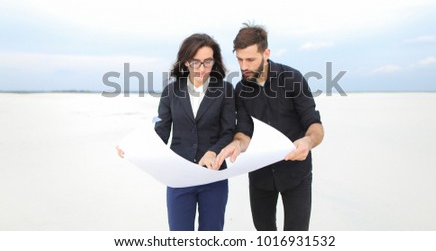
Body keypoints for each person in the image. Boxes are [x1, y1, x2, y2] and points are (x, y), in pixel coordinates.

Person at [118, 33, 235, 231]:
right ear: (185, 62)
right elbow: (161, 133)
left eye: (207, 62)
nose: (202, 68)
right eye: (195, 62)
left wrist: (214, 151)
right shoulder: (171, 92)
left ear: (215, 62)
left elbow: (228, 132)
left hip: (214, 176)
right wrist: (133, 147)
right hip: (179, 175)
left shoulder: (225, 90)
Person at [214, 24, 324, 231]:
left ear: (266, 53)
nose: (244, 66)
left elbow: (315, 125)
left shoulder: (293, 79)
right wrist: (237, 145)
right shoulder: (241, 89)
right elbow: (245, 131)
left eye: (250, 59)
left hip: (296, 174)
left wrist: (307, 142)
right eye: (239, 59)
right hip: (260, 175)